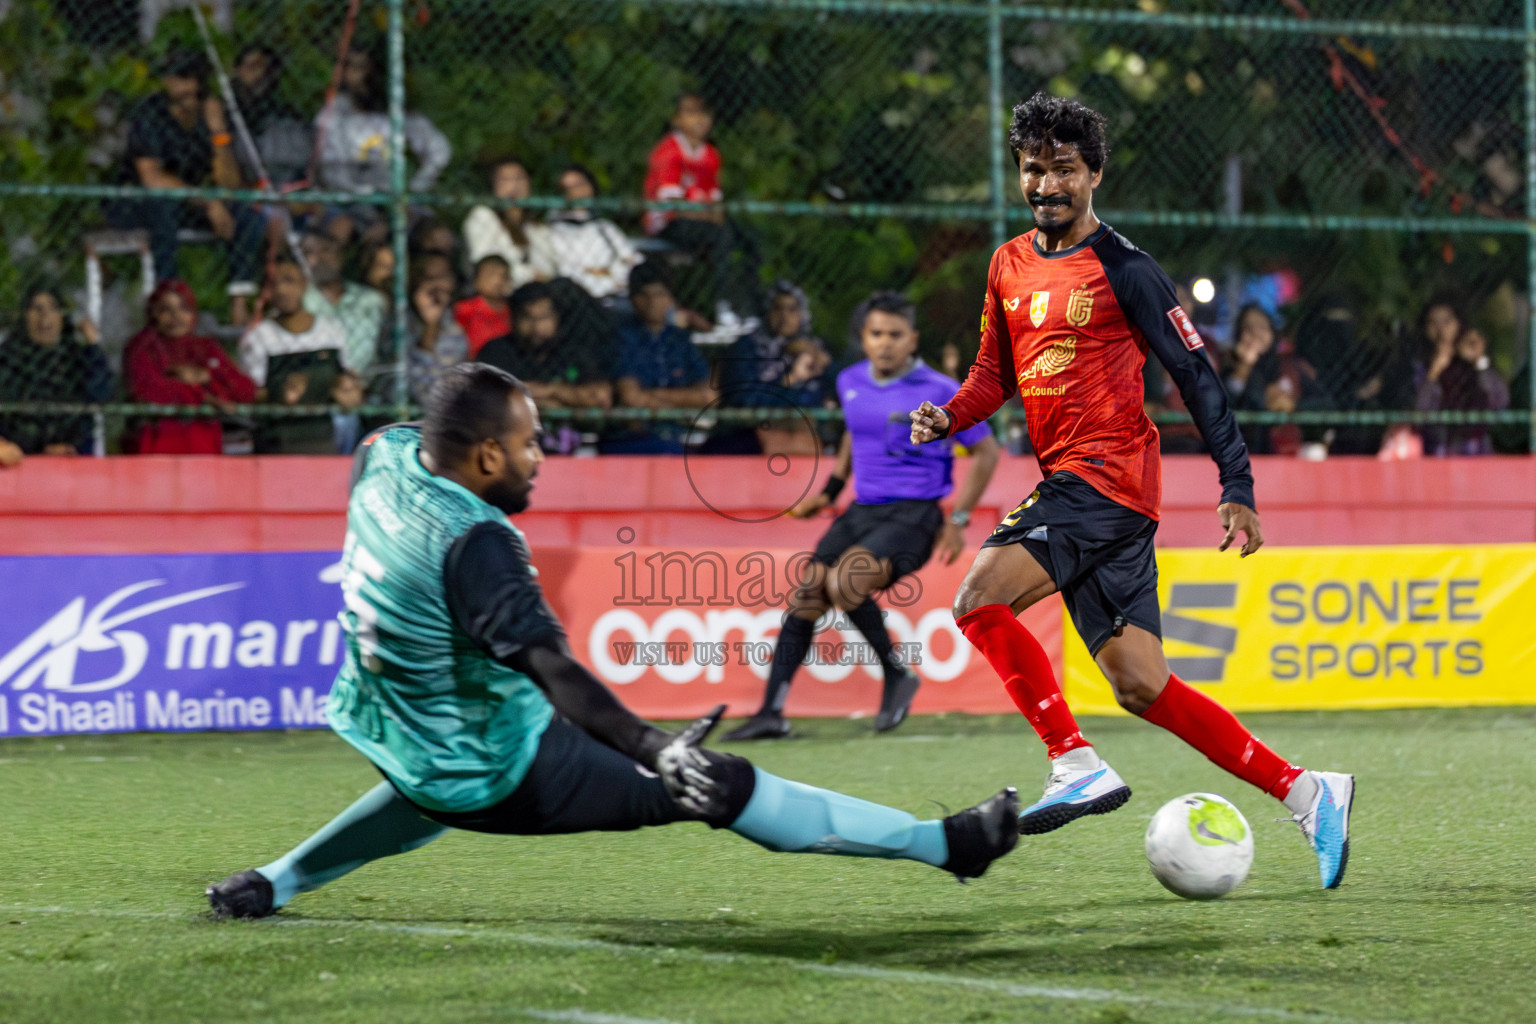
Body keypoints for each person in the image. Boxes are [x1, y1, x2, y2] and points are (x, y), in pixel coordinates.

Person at [204, 364, 1020, 919]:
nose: (538, 459)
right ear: (486, 455)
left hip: (384, 730)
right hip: (500, 774)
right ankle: (948, 846)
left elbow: (430, 439)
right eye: (528, 444)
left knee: (430, 780)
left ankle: (276, 882)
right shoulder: (478, 542)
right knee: (717, 782)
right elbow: (553, 671)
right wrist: (654, 745)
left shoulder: (380, 453)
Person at [907, 93, 1354, 889]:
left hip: (1106, 479)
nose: (1047, 184)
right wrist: (948, 416)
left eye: (1065, 170)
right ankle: (1309, 791)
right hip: (1083, 488)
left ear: (1095, 175)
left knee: (977, 599)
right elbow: (991, 378)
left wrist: (1238, 482)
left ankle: (1072, 759)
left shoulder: (1128, 269)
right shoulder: (1007, 263)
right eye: (1034, 169)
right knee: (1141, 684)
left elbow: (1195, 375)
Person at [725, 292, 1000, 741]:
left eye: (895, 335)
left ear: (912, 339)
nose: (885, 343)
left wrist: (959, 519)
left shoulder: (940, 390)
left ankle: (897, 676)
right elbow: (857, 435)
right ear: (864, 339)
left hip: (914, 515)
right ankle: (771, 712)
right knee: (809, 593)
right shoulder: (850, 380)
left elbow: (987, 453)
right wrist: (829, 491)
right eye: (877, 334)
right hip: (861, 511)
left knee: (845, 583)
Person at [105, 48, 265, 323]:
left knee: (246, 215)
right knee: (162, 205)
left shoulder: (209, 113)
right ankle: (167, 297)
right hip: (136, 202)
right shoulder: (151, 113)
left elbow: (229, 183)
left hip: (187, 200)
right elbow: (152, 178)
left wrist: (219, 134)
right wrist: (207, 201)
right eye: (172, 77)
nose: (177, 85)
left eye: (185, 78)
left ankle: (240, 301)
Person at [313, 43, 451, 245]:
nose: (362, 77)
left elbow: (440, 151)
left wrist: (415, 189)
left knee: (439, 237)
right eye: (353, 68)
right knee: (345, 229)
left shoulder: (396, 110)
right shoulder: (334, 114)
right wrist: (375, 205)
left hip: (400, 200)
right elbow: (333, 172)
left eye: (366, 68)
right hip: (352, 202)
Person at [642, 92, 759, 322]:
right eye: (691, 113)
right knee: (720, 237)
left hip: (701, 222)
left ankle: (749, 308)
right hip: (668, 222)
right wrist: (707, 214)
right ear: (676, 120)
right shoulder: (669, 151)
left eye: (704, 114)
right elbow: (673, 206)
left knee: (751, 240)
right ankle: (722, 306)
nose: (700, 120)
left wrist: (710, 214)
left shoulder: (710, 155)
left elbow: (716, 202)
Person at [124, 279, 256, 454]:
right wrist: (205, 397)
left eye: (184, 309)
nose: (176, 317)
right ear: (153, 313)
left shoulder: (204, 348)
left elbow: (244, 390)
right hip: (158, 444)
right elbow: (149, 391)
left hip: (202, 445)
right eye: (165, 310)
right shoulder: (143, 348)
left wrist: (208, 377)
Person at [240, 255, 348, 454]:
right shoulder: (259, 336)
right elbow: (252, 393)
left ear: (304, 284)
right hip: (276, 438)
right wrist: (280, 391)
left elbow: (343, 380)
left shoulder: (330, 330)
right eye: (273, 284)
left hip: (321, 434)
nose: (281, 290)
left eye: (289, 281)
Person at [604, 261, 714, 454]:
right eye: (644, 295)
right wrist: (682, 402)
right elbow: (631, 398)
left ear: (671, 299)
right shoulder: (621, 339)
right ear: (632, 299)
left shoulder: (681, 340)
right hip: (633, 437)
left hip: (679, 432)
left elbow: (708, 395)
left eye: (660, 294)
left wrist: (654, 399)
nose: (653, 303)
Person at [476, 281, 614, 427]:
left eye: (544, 317)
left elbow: (601, 398)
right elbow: (489, 397)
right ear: (514, 319)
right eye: (528, 317)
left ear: (556, 317)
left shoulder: (573, 350)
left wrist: (548, 391)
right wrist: (558, 397)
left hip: (573, 443)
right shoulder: (497, 350)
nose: (537, 327)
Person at [0, 284, 114, 456]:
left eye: (53, 308)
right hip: (22, 453)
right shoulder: (9, 357)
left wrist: (92, 344)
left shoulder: (74, 355)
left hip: (73, 450)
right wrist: (40, 447)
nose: (45, 316)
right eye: (36, 309)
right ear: (24, 316)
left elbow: (101, 392)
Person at [1415, 294, 1509, 456]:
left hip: (1476, 450)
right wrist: (1434, 372)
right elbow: (1422, 412)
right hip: (1439, 450)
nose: (1440, 330)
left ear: (1459, 323)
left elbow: (1499, 401)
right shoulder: (1421, 366)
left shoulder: (1473, 361)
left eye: (1446, 322)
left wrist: (1479, 361)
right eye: (1432, 323)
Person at [544, 164, 643, 304]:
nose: (578, 192)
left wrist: (610, 273)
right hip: (581, 301)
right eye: (568, 188)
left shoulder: (605, 227)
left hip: (619, 296)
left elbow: (632, 261)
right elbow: (566, 271)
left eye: (581, 184)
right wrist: (605, 274)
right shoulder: (553, 231)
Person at [461, 156, 557, 291]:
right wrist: (530, 275)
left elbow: (549, 267)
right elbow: (486, 264)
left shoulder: (537, 228)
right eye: (505, 179)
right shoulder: (482, 217)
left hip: (537, 294)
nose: (514, 185)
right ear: (493, 186)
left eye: (519, 178)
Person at [301, 229, 387, 375]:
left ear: (341, 256)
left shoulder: (371, 299)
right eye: (310, 251)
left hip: (365, 384)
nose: (321, 257)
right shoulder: (299, 299)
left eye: (327, 250)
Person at [454, 255, 515, 358]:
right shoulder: (464, 309)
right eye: (490, 275)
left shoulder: (516, 308)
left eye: (503, 276)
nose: (497, 281)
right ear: (476, 281)